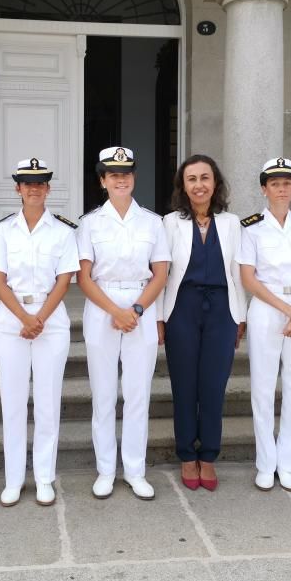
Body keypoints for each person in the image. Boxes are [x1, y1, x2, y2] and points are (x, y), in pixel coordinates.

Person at [0, 158, 80, 507]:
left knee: (48, 401)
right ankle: (13, 479)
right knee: (12, 402)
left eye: (40, 183)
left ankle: (43, 477)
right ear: (18, 189)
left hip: (50, 322)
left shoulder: (64, 231)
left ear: (48, 189)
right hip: (12, 322)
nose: (34, 188)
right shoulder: (2, 231)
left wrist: (38, 318)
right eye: (28, 183)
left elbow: (64, 280)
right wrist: (25, 317)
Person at [76, 147, 170, 501]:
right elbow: (84, 278)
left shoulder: (152, 221)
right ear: (102, 181)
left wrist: (136, 309)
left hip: (140, 308)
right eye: (112, 174)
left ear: (133, 178)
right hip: (102, 308)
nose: (120, 179)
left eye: (126, 173)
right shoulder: (89, 224)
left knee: (137, 395)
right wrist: (115, 312)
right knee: (103, 395)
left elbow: (160, 274)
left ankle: (134, 469)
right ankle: (105, 469)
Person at [159, 154, 246, 491]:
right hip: (182, 308)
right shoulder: (169, 223)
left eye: (205, 178)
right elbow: (160, 275)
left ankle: (208, 456)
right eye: (192, 178)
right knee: (184, 386)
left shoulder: (232, 223)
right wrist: (158, 319)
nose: (199, 185)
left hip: (222, 309)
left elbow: (239, 273)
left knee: (213, 387)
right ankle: (186, 455)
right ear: (183, 185)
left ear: (216, 183)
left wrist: (240, 316)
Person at [238, 158, 291, 492]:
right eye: (275, 183)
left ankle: (288, 462)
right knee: (262, 386)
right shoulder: (252, 228)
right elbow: (249, 278)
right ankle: (265, 462)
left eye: (287, 183)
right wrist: (287, 308)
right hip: (267, 308)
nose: (282, 189)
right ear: (264, 188)